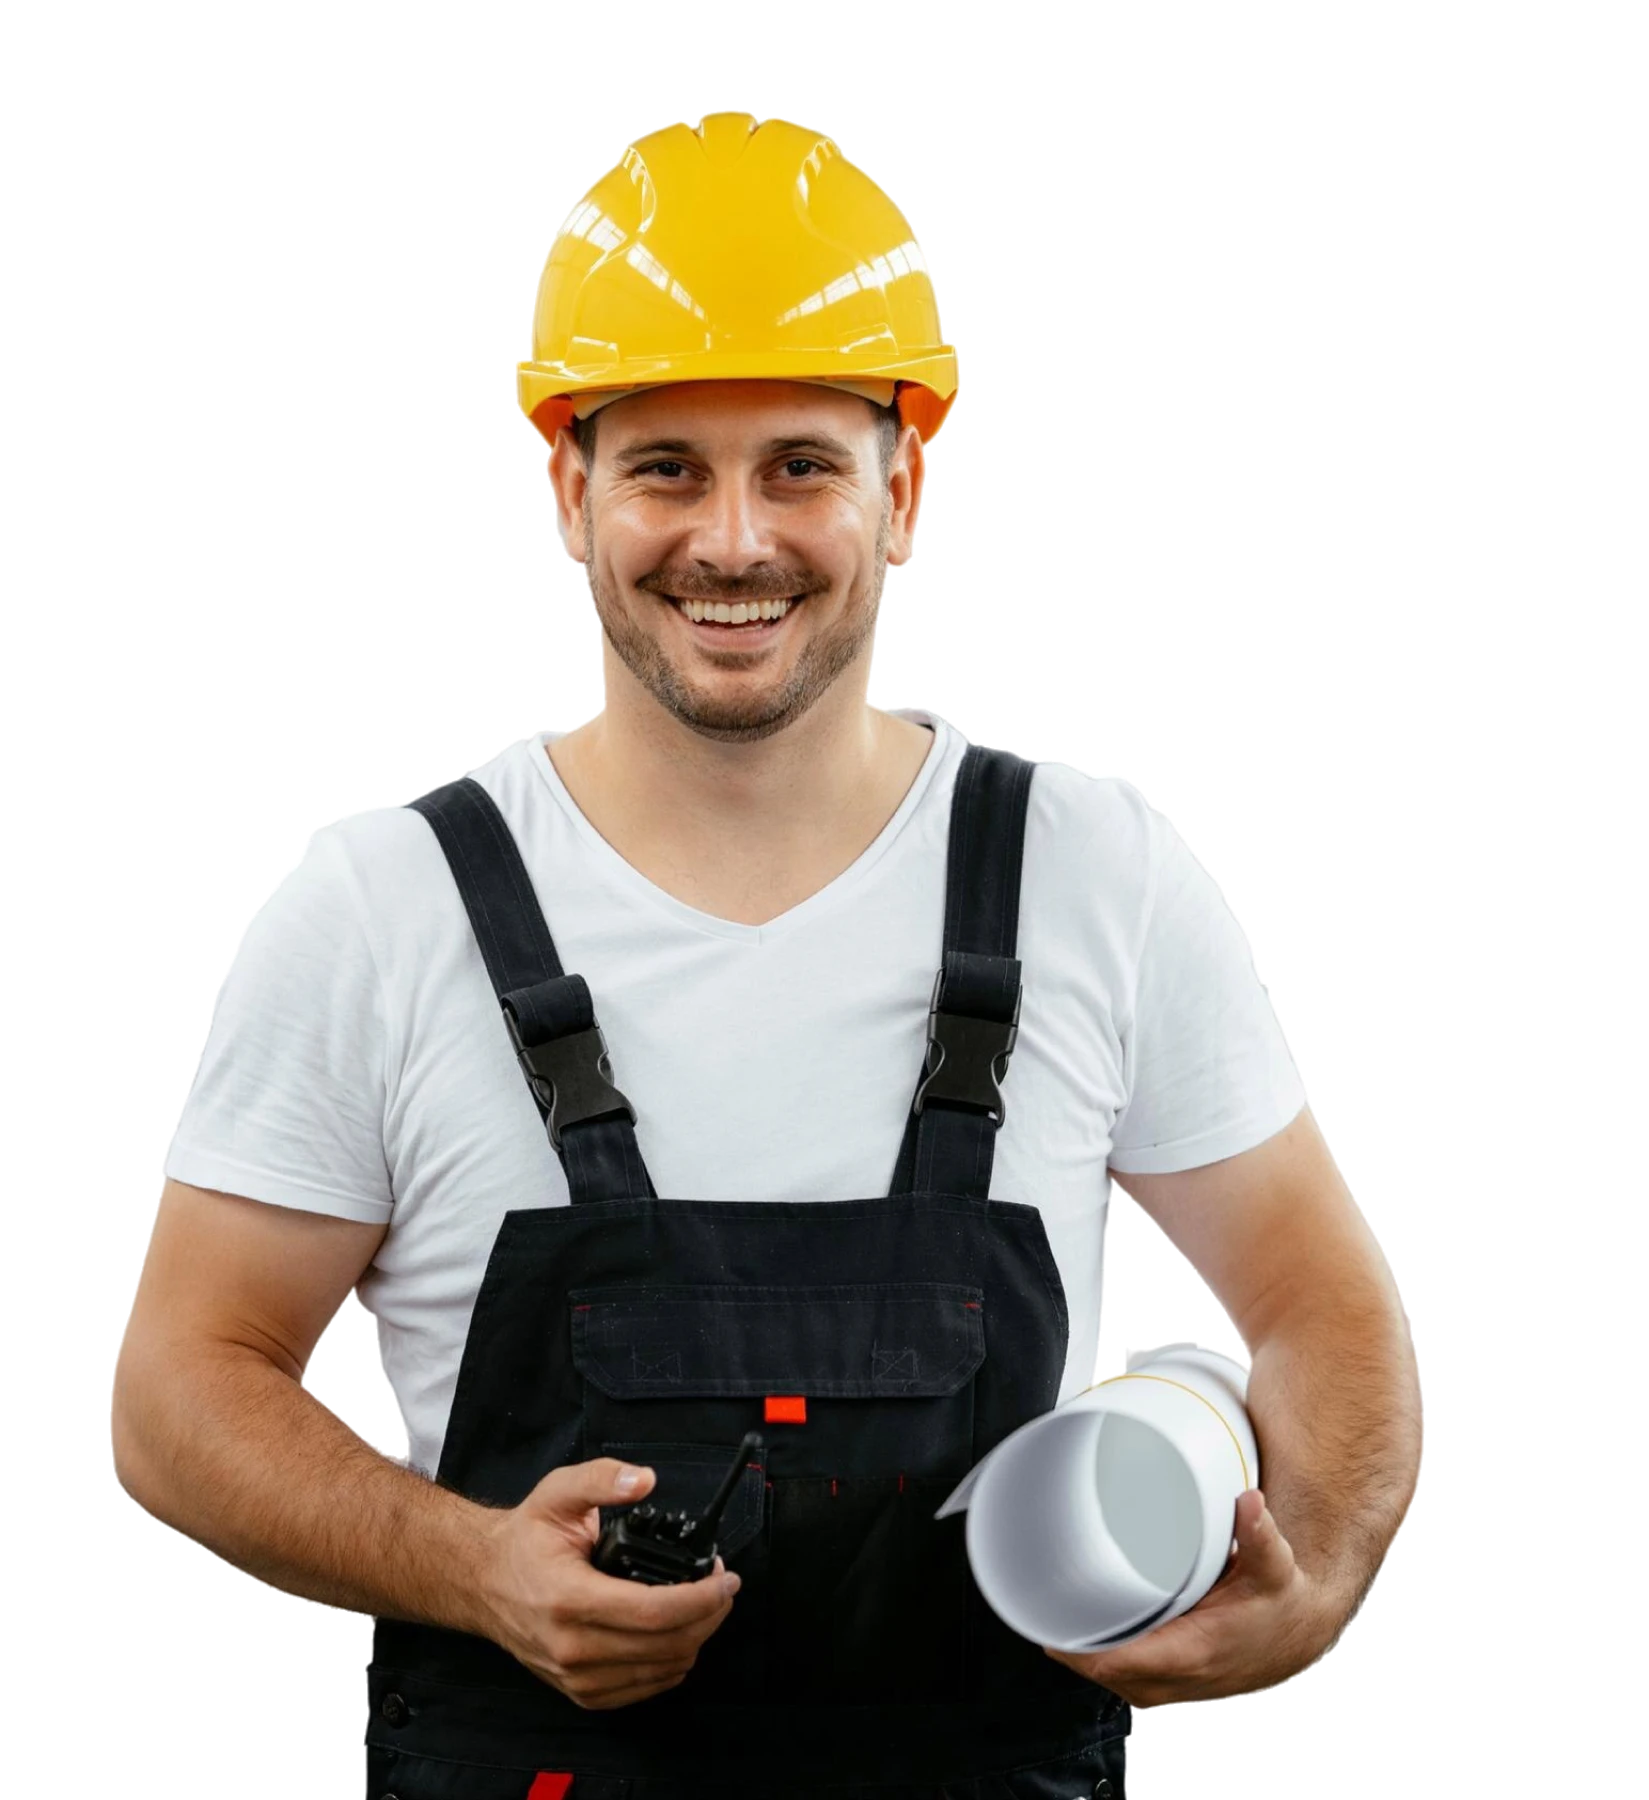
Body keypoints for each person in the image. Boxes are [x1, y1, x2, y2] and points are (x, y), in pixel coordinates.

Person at [111, 110, 1423, 1797]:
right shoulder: (382, 904)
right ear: (570, 490)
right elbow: (178, 1392)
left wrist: (1313, 1588)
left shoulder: (1093, 871)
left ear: (904, 489)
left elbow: (1324, 1310)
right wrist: (469, 1567)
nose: (733, 540)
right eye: (666, 467)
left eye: (801, 463)